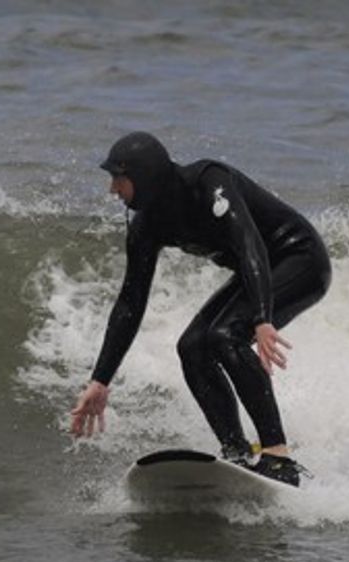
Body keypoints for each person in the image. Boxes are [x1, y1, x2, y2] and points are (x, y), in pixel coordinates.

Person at [69, 132, 332, 486]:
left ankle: (278, 455)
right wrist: (100, 380)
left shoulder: (210, 183)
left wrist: (262, 319)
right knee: (192, 346)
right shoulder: (147, 225)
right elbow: (131, 302)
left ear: (145, 177)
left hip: (300, 258)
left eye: (119, 178)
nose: (113, 189)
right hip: (257, 272)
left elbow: (248, 243)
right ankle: (236, 453)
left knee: (226, 336)